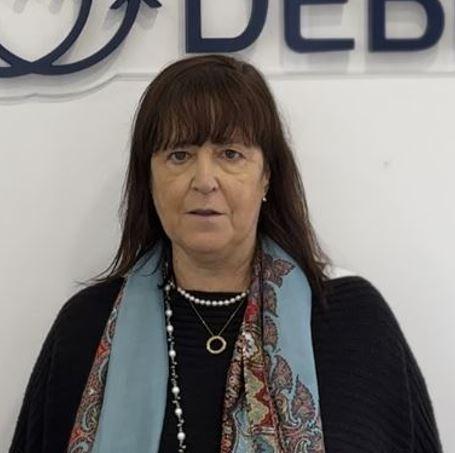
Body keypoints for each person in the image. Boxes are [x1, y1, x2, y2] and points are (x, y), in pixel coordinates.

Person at [9, 54, 443, 453]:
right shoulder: (85, 328)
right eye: (179, 155)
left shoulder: (353, 323)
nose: (204, 180)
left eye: (230, 154)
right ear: (149, 178)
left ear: (266, 176)